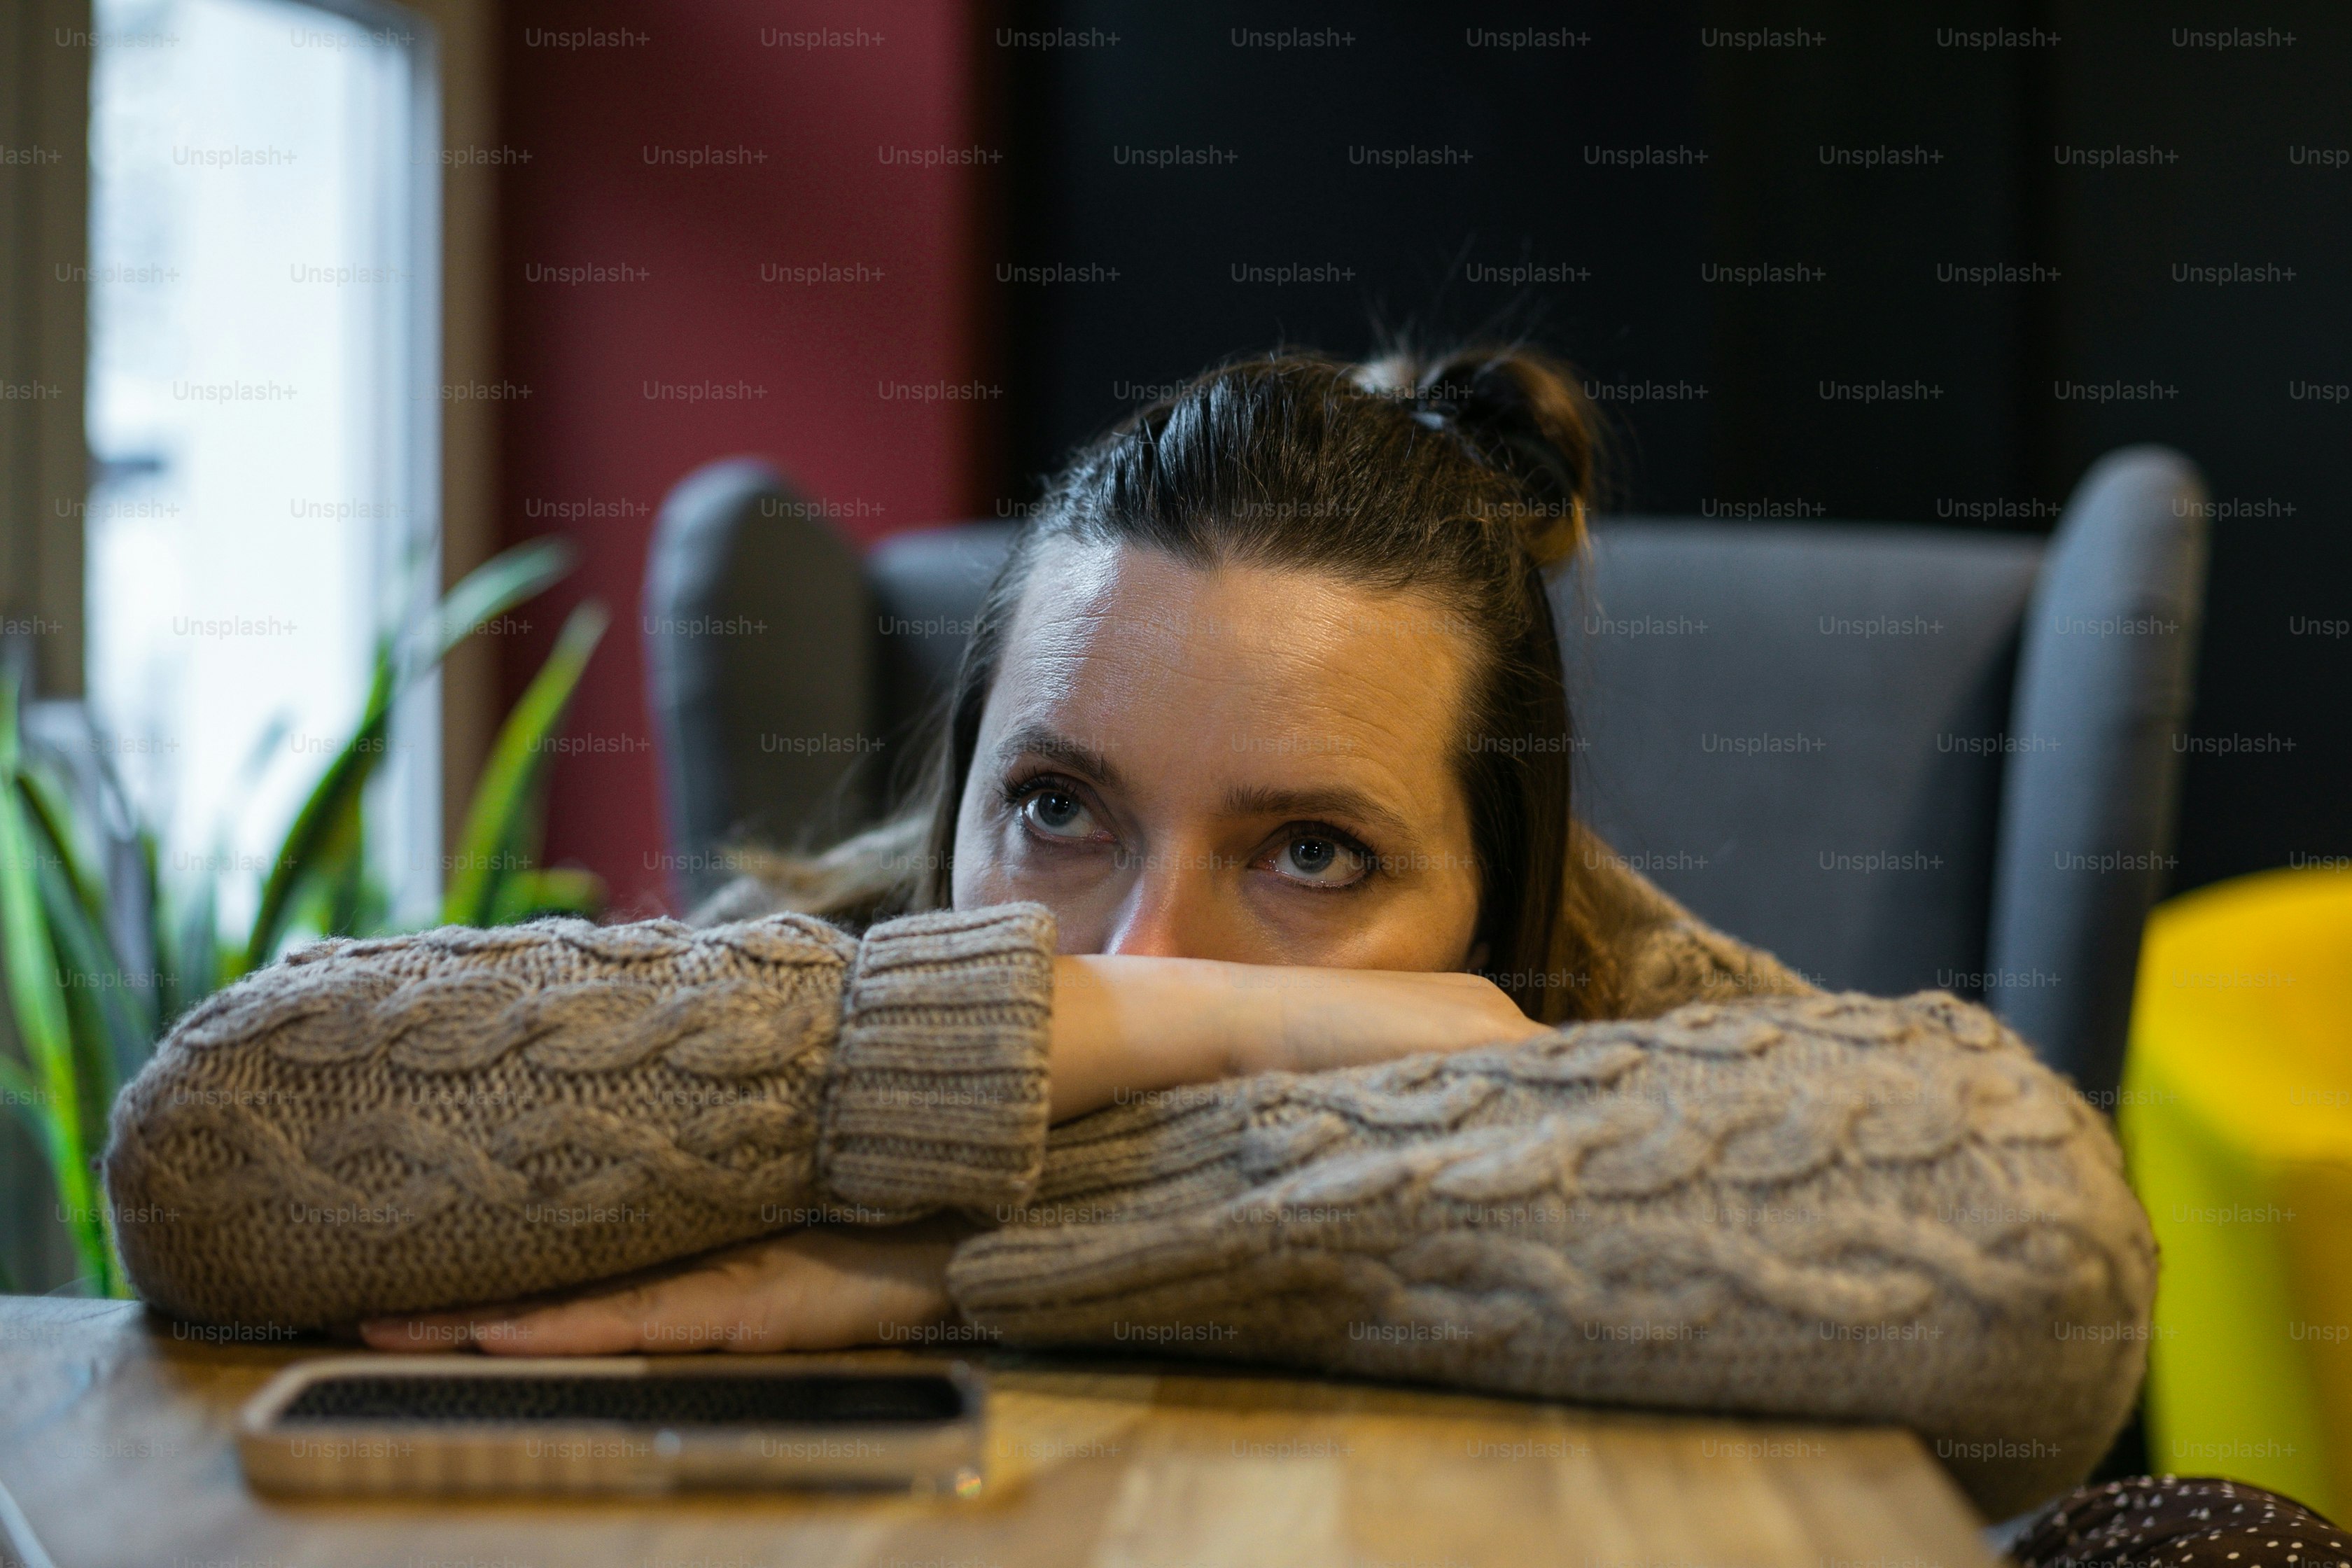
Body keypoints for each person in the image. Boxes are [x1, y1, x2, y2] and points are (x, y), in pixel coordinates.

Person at [108, 344, 2158, 1522]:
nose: (1137, 955)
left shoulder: (1590, 998)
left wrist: (956, 1253)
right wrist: (1221, 1056)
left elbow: (2046, 1275)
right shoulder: (858, 939)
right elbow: (216, 1150)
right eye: (1062, 808)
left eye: (1317, 856)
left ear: (1509, 907)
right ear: (967, 786)